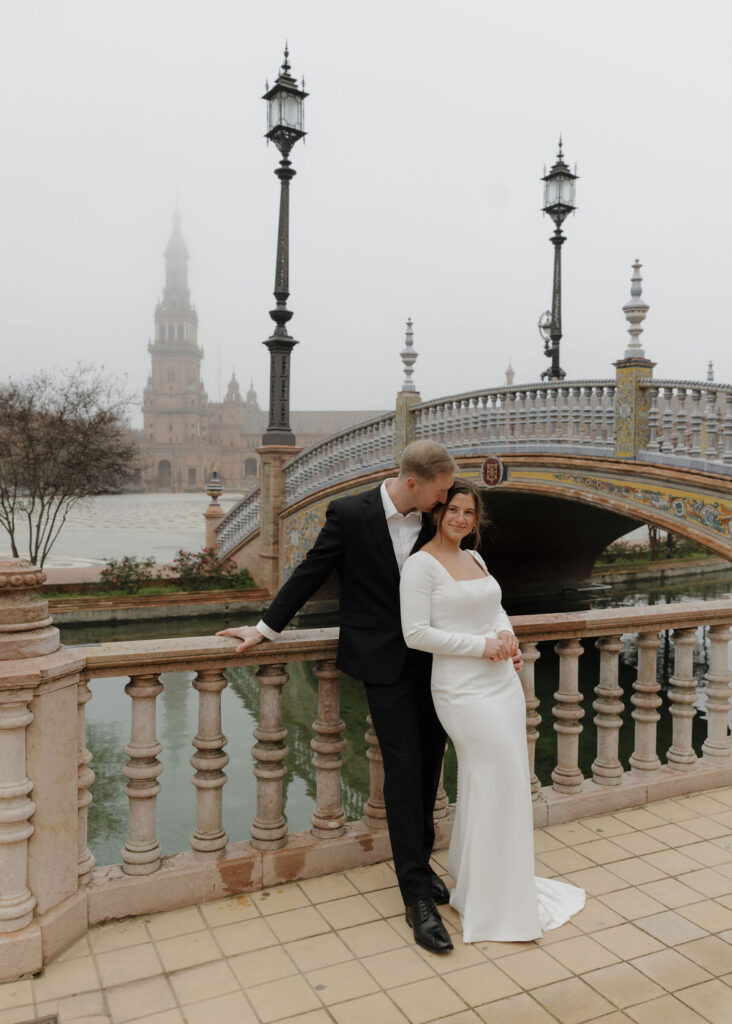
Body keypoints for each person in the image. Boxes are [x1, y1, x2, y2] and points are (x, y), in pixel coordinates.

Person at [218, 440, 510, 954]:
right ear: (414, 483)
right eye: (442, 493)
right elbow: (310, 571)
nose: (447, 504)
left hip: (439, 663)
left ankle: (421, 861)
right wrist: (266, 628)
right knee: (401, 770)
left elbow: (460, 577)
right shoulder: (349, 513)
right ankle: (416, 894)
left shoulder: (430, 517)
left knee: (428, 770)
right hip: (382, 664)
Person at [399, 478, 585, 942]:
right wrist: (482, 646)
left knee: (503, 782)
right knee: (491, 778)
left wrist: (507, 638)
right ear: (437, 514)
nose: (461, 518)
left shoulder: (475, 558)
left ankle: (487, 881)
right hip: (461, 690)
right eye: (454, 510)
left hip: (501, 683)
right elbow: (416, 634)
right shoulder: (420, 566)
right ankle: (491, 896)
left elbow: (495, 609)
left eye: (469, 512)